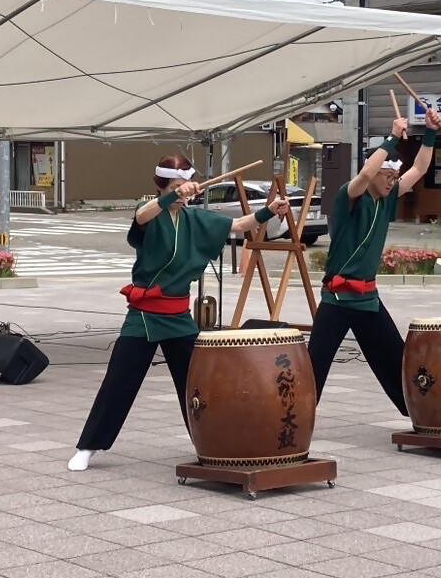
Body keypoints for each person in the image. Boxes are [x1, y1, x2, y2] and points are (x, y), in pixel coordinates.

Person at [69, 156, 291, 472]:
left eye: (184, 188)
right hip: (143, 316)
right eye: (175, 187)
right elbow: (143, 213)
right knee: (119, 382)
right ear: (162, 187)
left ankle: (213, 443)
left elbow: (240, 225)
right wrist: (172, 195)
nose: (183, 193)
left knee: (197, 385)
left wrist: (271, 210)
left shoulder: (195, 219)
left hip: (179, 317)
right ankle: (88, 446)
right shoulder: (151, 214)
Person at [307, 107, 441, 414]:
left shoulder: (387, 199)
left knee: (395, 358)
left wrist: (431, 131)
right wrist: (393, 137)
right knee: (315, 363)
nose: (392, 182)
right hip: (337, 299)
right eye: (389, 175)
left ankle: (420, 413)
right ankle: (295, 419)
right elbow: (366, 174)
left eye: (395, 177)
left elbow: (420, 169)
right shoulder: (350, 196)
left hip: (368, 300)